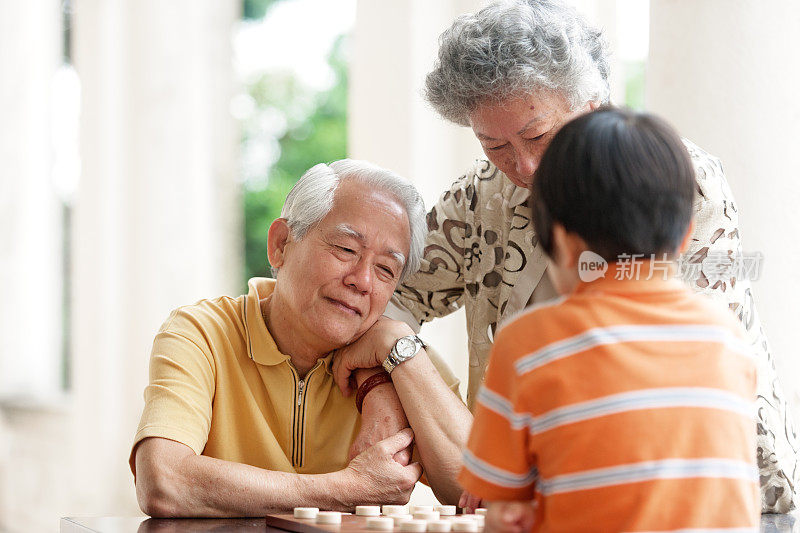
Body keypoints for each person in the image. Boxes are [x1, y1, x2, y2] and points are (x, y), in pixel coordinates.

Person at [380, 0, 797, 513]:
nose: (524, 166)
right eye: (494, 145)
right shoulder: (480, 194)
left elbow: (663, 361)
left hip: (697, 484)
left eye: (537, 135)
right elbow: (390, 294)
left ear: (593, 105)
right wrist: (385, 376)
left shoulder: (671, 179)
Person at [459, 107, 760, 531]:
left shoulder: (528, 343)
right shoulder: (727, 338)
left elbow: (500, 503)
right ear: (686, 235)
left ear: (559, 239)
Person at [130, 159, 472, 517]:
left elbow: (480, 488)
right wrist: (344, 489)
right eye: (346, 249)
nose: (363, 281)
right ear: (280, 244)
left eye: (386, 269)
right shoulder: (202, 333)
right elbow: (163, 480)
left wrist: (398, 348)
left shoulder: (404, 360)